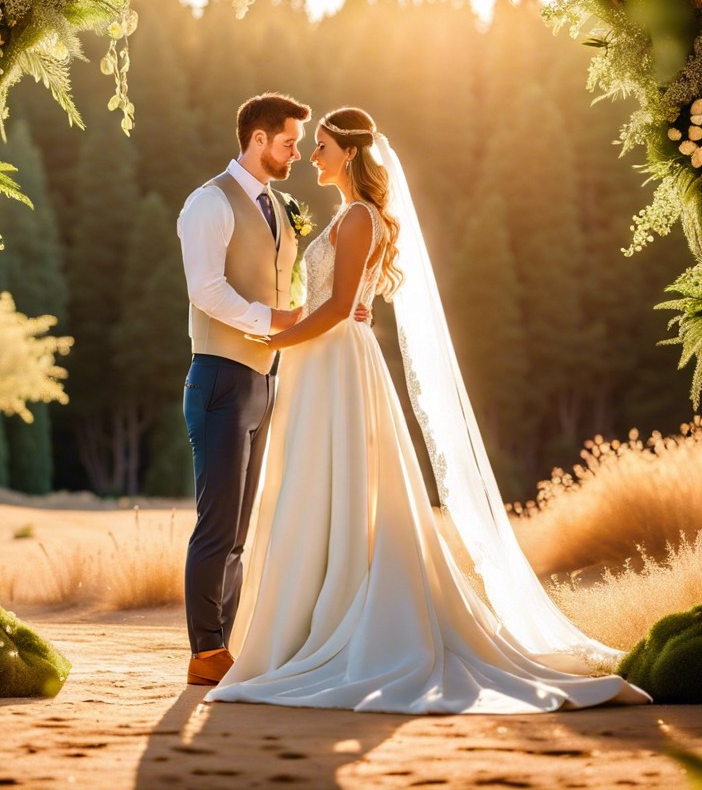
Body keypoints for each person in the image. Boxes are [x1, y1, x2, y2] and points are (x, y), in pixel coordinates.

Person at [205, 107, 651, 713]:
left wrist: (275, 340)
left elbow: (339, 307)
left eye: (325, 147)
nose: (313, 156)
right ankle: (305, 620)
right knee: (316, 485)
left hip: (334, 360)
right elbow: (343, 302)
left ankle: (340, 616)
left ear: (352, 155)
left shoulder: (360, 216)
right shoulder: (348, 216)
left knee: (336, 482)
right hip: (321, 361)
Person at [176, 93, 370, 686]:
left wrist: (339, 311)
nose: (295, 153)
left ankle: (223, 648)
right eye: (289, 142)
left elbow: (293, 285)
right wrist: (278, 323)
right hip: (219, 375)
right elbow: (206, 291)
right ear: (257, 140)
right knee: (216, 521)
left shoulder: (277, 207)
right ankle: (205, 652)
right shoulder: (209, 203)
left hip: (263, 378)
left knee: (239, 526)